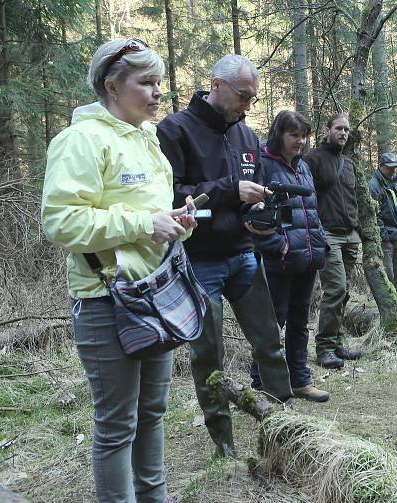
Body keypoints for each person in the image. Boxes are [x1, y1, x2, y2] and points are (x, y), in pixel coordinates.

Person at [42, 38, 195, 503]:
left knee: (153, 412)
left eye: (159, 84)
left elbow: (148, 219)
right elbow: (60, 221)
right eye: (146, 83)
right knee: (116, 425)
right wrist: (145, 223)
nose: (157, 94)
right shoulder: (81, 140)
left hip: (157, 294)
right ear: (112, 85)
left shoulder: (149, 140)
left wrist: (175, 222)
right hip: (105, 300)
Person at [156, 54, 291, 458]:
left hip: (244, 256)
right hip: (199, 262)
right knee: (208, 356)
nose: (248, 106)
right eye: (243, 97)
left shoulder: (246, 136)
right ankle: (224, 443)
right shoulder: (175, 130)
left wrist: (258, 216)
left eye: (253, 98)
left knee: (269, 341)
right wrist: (230, 191)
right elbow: (173, 198)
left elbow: (253, 193)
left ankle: (286, 424)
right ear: (216, 85)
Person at [250, 111, 330, 402]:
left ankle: (300, 381)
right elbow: (255, 217)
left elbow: (311, 211)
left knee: (300, 321)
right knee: (274, 323)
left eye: (303, 135)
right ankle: (261, 384)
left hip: (307, 258)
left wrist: (319, 242)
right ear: (279, 134)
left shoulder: (303, 167)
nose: (300, 141)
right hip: (279, 260)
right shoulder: (264, 165)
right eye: (294, 135)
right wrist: (277, 244)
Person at [303, 113, 363, 369]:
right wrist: (314, 230)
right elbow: (306, 198)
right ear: (326, 131)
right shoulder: (312, 159)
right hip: (327, 233)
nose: (343, 133)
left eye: (347, 130)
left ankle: (336, 342)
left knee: (344, 292)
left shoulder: (348, 163)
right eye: (338, 128)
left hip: (351, 234)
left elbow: (354, 198)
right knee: (335, 289)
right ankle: (324, 348)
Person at [369, 152, 397, 306]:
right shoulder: (373, 186)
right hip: (386, 238)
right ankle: (391, 305)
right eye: (389, 168)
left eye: (395, 167)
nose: (393, 170)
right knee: (388, 273)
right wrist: (384, 235)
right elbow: (375, 214)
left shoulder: (392, 183)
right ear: (380, 166)